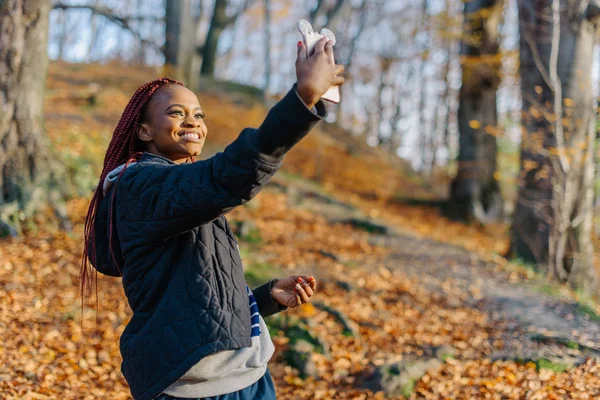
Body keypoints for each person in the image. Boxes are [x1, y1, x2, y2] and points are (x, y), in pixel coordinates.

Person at [81, 37, 345, 400]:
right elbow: (227, 175)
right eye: (177, 113)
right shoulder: (140, 187)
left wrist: (265, 298)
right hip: (199, 388)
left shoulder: (177, 191)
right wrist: (301, 99)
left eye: (199, 115)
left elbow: (194, 295)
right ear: (144, 131)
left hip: (249, 374)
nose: (194, 122)